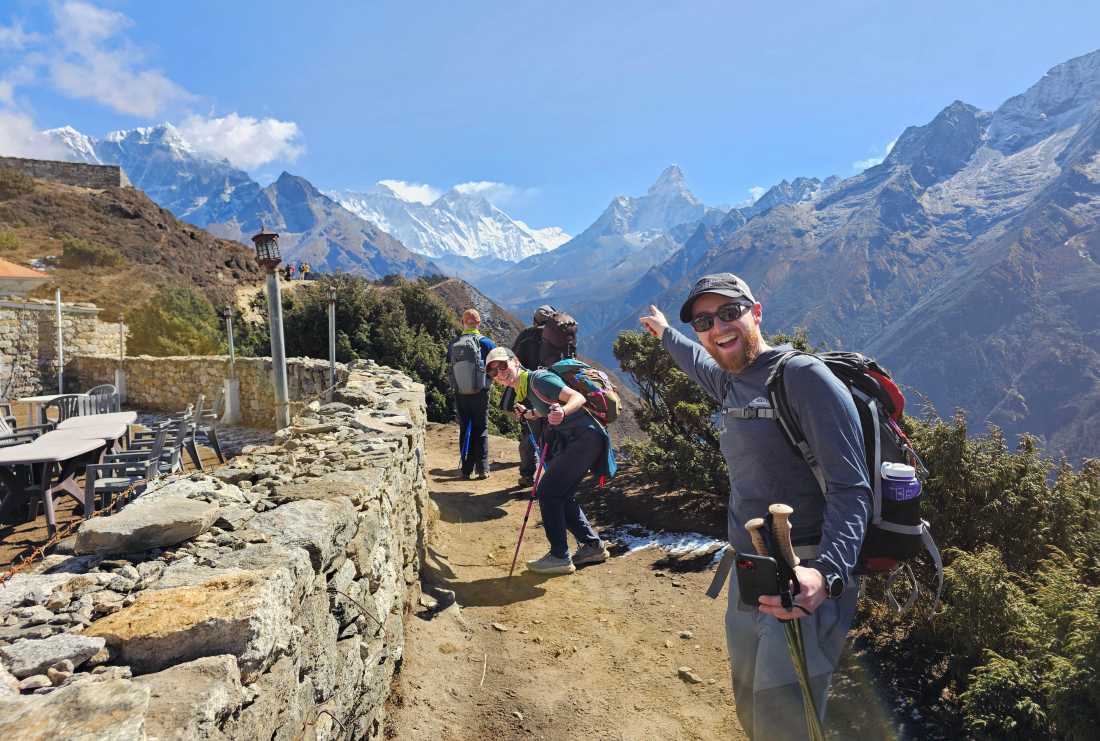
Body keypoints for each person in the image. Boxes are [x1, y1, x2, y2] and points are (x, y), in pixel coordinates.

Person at [639, 273, 870, 740]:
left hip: (802, 577)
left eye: (729, 312)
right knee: (749, 705)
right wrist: (666, 333)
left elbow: (852, 488)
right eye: (705, 320)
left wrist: (824, 575)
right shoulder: (729, 382)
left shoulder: (802, 378)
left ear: (756, 312)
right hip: (749, 571)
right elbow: (694, 360)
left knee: (786, 723)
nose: (717, 327)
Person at [485, 346, 614, 575]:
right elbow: (547, 409)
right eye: (493, 371)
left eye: (503, 365)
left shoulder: (538, 379)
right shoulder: (524, 388)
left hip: (584, 439)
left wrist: (563, 413)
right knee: (560, 494)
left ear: (515, 361)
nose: (499, 373)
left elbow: (577, 397)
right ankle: (593, 546)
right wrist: (530, 413)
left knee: (547, 492)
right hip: (582, 440)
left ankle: (559, 556)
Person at [447, 308, 496, 480]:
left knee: (465, 428)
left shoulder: (453, 344)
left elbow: (450, 366)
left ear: (462, 323)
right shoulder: (487, 343)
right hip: (480, 392)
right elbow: (495, 367)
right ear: (479, 323)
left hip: (460, 392)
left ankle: (466, 470)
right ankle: (482, 468)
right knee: (480, 427)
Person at [510, 305, 557, 486]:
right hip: (555, 392)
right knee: (553, 435)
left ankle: (527, 475)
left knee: (529, 434)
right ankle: (554, 476)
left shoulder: (526, 336)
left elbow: (514, 361)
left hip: (529, 392)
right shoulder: (559, 336)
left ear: (535, 320)